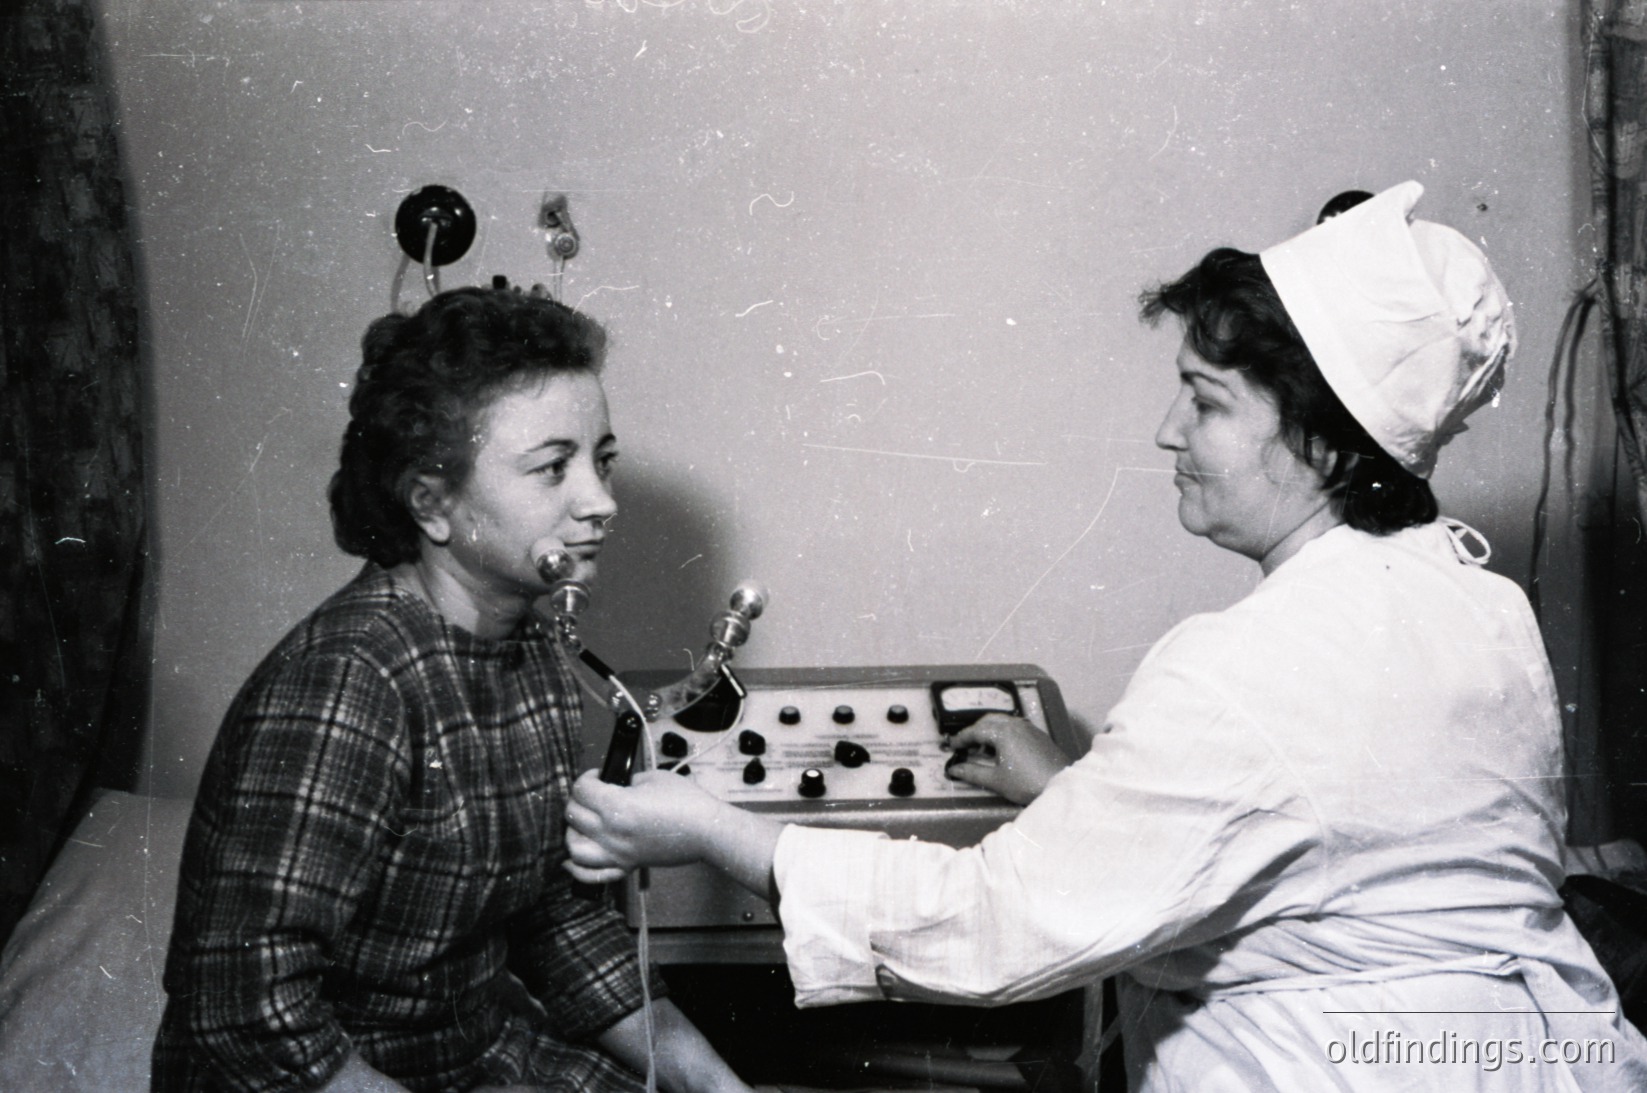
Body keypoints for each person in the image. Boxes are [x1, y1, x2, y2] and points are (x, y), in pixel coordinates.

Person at [563, 182, 1647, 1090]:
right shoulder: (1482, 604)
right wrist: (1070, 787)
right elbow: (1342, 844)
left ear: (1320, 441)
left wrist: (710, 827)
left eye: (1206, 400)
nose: (1167, 431)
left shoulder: (1244, 669)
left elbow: (991, 929)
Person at [153, 286, 749, 1093]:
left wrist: (712, 1083)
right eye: (552, 468)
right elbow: (245, 1011)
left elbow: (558, 917)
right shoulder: (351, 681)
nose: (601, 501)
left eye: (601, 461)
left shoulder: (528, 649)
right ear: (432, 503)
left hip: (471, 1058)